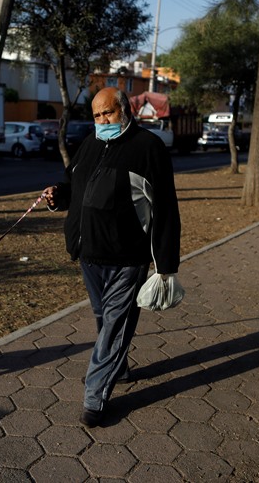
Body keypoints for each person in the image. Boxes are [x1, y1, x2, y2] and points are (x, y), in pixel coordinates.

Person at [44, 87, 181, 427]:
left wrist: (165, 265)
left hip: (127, 258)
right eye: (96, 115)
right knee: (104, 319)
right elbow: (73, 185)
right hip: (89, 254)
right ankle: (117, 368)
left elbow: (165, 207)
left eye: (108, 113)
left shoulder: (148, 148)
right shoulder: (89, 144)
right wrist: (57, 195)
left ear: (124, 110)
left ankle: (95, 396)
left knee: (114, 327)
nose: (102, 121)